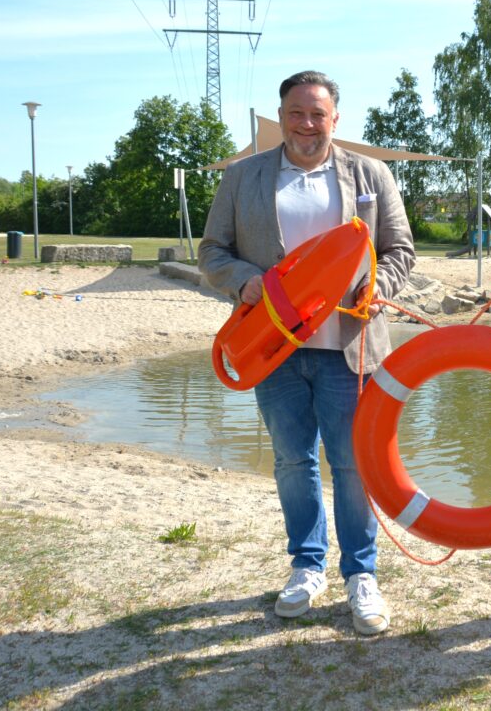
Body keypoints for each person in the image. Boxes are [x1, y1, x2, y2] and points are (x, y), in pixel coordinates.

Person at [199, 70, 415, 635]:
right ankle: (307, 565)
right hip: (272, 350)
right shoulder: (243, 177)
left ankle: (360, 575)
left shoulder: (371, 174)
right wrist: (246, 282)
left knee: (352, 464)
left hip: (349, 348)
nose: (307, 124)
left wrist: (378, 290)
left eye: (318, 114)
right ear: (281, 116)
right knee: (293, 462)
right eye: (296, 112)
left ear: (335, 119)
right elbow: (213, 252)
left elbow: (400, 251)